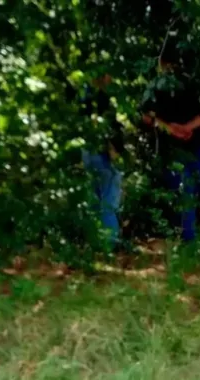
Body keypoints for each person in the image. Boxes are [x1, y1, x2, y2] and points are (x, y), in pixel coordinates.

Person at [140, 47, 200, 243]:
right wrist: (188, 127)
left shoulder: (156, 87)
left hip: (178, 148)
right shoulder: (195, 81)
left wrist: (172, 129)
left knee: (186, 194)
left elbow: (147, 117)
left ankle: (190, 241)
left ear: (161, 63)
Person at [71, 73, 125, 249]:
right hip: (103, 155)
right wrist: (114, 150)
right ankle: (109, 243)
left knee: (94, 200)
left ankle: (95, 242)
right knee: (108, 201)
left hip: (88, 152)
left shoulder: (84, 97)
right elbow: (108, 127)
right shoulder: (102, 98)